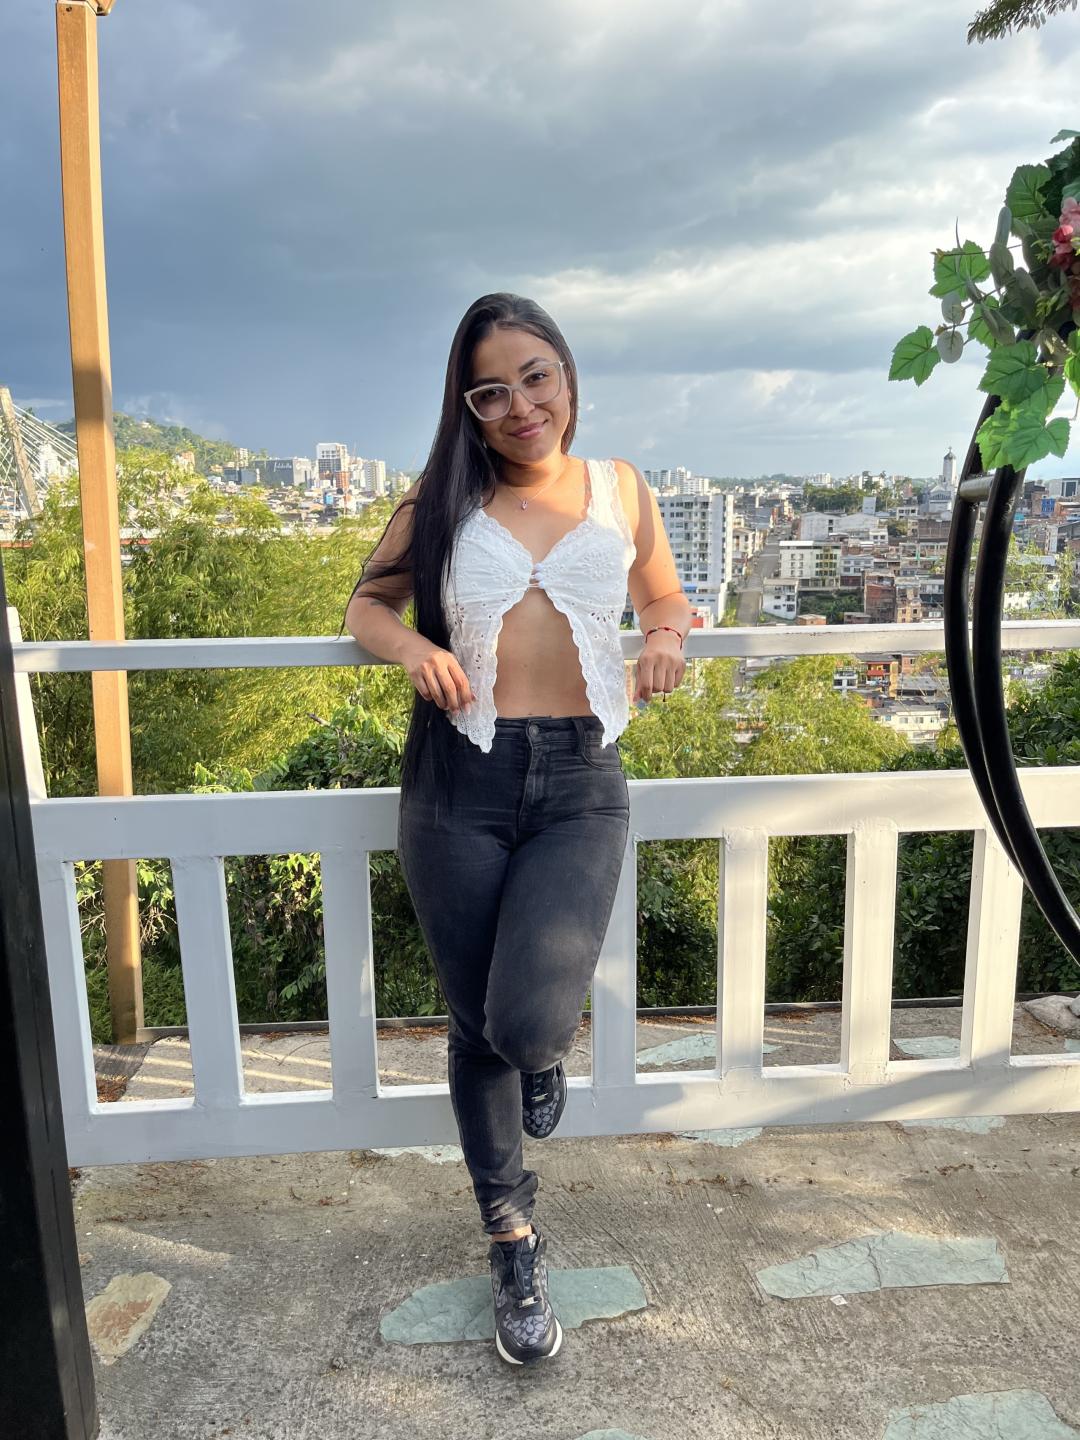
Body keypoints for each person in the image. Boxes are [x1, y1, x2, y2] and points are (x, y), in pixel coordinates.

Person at [337, 292, 690, 1367]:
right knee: (473, 1027)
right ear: (469, 407)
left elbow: (663, 597)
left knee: (525, 1023)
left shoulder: (621, 488)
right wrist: (413, 650)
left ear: (566, 373)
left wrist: (667, 636)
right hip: (459, 779)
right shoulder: (442, 497)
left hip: (580, 779)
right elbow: (366, 606)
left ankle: (539, 1051)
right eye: (491, 392)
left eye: (536, 376)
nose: (521, 405)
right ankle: (512, 1239)